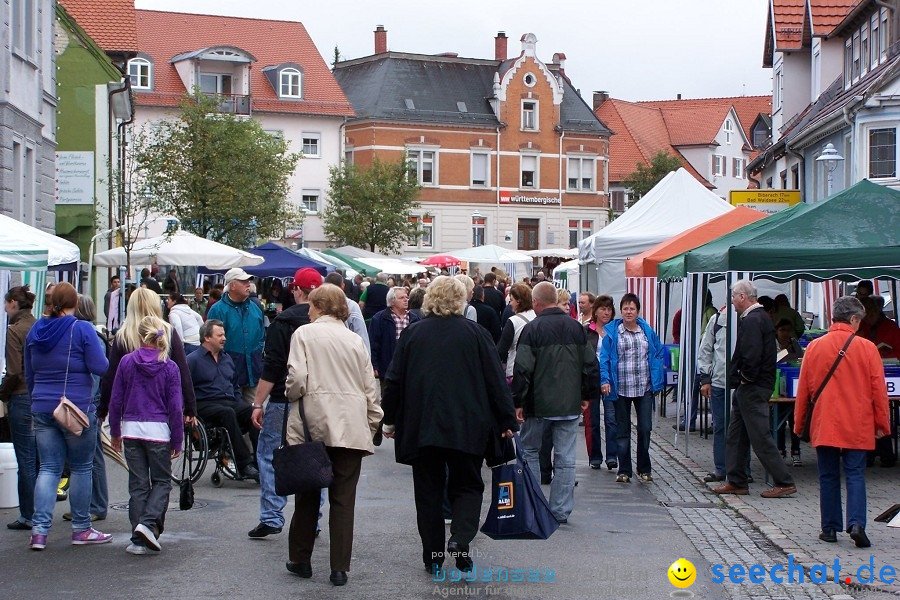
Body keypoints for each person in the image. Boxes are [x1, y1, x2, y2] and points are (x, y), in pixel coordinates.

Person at [382, 276, 516, 574]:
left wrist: (389, 420)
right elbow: (495, 381)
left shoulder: (413, 335)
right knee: (467, 484)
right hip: (467, 423)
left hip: (423, 424)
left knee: (428, 491)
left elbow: (394, 381)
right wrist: (506, 420)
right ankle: (461, 540)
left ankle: (433, 555)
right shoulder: (477, 334)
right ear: (461, 299)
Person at [284, 284, 382, 586]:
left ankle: (301, 559)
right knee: (343, 499)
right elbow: (370, 389)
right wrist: (372, 423)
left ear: (320, 306)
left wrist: (292, 393)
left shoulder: (303, 334)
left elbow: (298, 378)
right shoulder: (354, 340)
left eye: (312, 305)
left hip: (313, 423)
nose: (308, 310)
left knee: (308, 494)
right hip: (350, 425)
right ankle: (339, 568)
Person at [793, 296, 890, 547]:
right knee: (856, 473)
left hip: (825, 421)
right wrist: (882, 425)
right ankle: (856, 524)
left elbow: (803, 390)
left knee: (827, 475)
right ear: (854, 319)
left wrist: (798, 423)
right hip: (858, 422)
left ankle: (829, 528)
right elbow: (879, 391)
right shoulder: (867, 348)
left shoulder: (814, 347)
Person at [24, 282, 111, 549]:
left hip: (41, 406)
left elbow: (29, 373)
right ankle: (81, 528)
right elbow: (101, 366)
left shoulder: (36, 330)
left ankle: (39, 532)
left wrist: (37, 398)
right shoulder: (81, 328)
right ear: (75, 302)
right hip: (75, 408)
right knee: (82, 467)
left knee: (48, 468)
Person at [513, 281, 598, 523]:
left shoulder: (532, 329)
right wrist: (585, 395)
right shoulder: (576, 328)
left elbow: (522, 369)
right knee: (565, 458)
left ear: (536, 303)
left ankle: (534, 504)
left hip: (538, 403)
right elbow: (590, 365)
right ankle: (560, 509)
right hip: (569, 403)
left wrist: (518, 400)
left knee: (529, 451)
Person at [247, 268, 320, 539]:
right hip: (318, 399)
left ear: (296, 290)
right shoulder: (331, 323)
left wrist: (257, 403)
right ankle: (313, 518)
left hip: (283, 398)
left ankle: (271, 515)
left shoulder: (284, 322)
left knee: (270, 455)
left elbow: (273, 366)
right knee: (314, 456)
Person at [109, 315, 184, 555]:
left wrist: (115, 432)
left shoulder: (126, 362)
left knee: (138, 484)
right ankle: (149, 523)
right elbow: (175, 407)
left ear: (140, 336)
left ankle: (138, 536)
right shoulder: (169, 366)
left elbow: (115, 400)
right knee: (162, 481)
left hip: (131, 429)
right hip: (159, 431)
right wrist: (178, 438)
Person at [715, 279, 797, 498]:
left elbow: (751, 353)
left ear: (743, 297)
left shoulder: (753, 320)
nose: (732, 301)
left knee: (760, 436)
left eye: (733, 296)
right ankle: (736, 479)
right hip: (751, 386)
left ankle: (783, 481)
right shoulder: (759, 317)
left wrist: (745, 377)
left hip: (753, 386)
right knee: (736, 435)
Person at [99, 288, 197, 429]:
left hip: (131, 410)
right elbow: (183, 370)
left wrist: (103, 407)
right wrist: (190, 407)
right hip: (164, 409)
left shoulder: (123, 336)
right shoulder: (167, 332)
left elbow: (112, 376)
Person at [599, 293, 665, 484]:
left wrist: (657, 377)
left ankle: (644, 468)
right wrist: (605, 380)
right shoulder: (613, 332)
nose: (628, 312)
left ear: (638, 311)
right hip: (621, 387)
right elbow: (605, 359)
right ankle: (624, 469)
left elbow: (658, 352)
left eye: (632, 308)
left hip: (643, 386)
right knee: (622, 430)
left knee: (645, 428)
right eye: (625, 308)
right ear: (621, 311)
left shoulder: (646, 331)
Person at [187, 320, 260, 482]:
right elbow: (184, 388)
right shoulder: (192, 360)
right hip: (204, 403)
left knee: (253, 411)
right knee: (227, 412)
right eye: (219, 335)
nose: (224, 338)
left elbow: (234, 386)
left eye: (224, 334)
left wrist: (241, 403)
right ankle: (244, 464)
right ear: (207, 338)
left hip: (227, 400)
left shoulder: (227, 359)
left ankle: (260, 461)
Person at [65, 295, 109, 523]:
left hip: (87, 403)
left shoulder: (90, 335)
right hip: (86, 402)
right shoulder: (83, 333)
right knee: (86, 457)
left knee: (92, 457)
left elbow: (95, 375)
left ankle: (97, 505)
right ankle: (84, 504)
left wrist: (84, 405)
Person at [2, 286, 38, 530]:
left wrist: (3, 393)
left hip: (21, 395)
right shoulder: (38, 326)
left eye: (6, 303)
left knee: (25, 458)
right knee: (40, 459)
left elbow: (14, 371)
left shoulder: (15, 331)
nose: (5, 308)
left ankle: (29, 514)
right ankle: (40, 511)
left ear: (14, 303)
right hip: (42, 395)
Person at [206, 268, 265, 405]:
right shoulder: (217, 310)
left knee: (254, 414)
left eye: (248, 281)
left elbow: (262, 336)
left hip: (253, 373)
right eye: (243, 281)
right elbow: (210, 342)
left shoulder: (255, 308)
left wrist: (258, 353)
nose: (248, 284)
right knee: (233, 414)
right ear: (232, 285)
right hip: (229, 375)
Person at [584, 294, 617, 471]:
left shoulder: (615, 330)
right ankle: (595, 456)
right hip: (591, 379)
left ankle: (612, 456)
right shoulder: (586, 330)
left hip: (610, 379)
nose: (606, 312)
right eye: (603, 309)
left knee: (612, 419)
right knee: (592, 420)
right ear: (595, 311)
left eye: (609, 309)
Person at [697, 305, 729, 483]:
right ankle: (721, 468)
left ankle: (742, 469)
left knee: (741, 429)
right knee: (720, 426)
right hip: (719, 382)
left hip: (740, 383)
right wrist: (705, 379)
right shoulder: (716, 320)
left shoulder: (748, 319)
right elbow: (705, 349)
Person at [775, 318, 804, 466]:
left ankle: (796, 451)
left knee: (795, 420)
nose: (785, 333)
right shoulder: (774, 344)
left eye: (788, 330)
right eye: (782, 330)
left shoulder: (794, 344)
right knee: (779, 420)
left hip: (794, 387)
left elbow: (801, 360)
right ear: (776, 331)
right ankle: (780, 449)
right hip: (779, 387)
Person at [324, 271, 370, 354]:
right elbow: (361, 332)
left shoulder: (319, 304)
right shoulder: (351, 305)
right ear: (342, 286)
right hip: (348, 353)